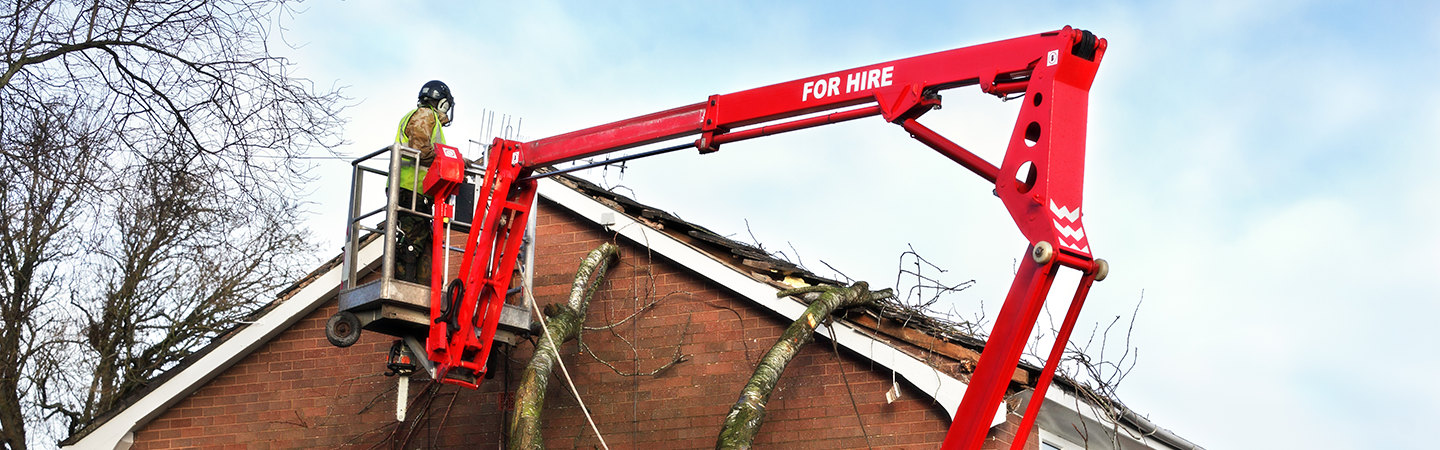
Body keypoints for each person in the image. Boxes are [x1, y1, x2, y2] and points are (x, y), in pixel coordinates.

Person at [393, 80, 455, 284]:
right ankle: (402, 285)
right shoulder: (425, 115)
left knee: (423, 245)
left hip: (416, 191)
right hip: (411, 189)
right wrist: (452, 161)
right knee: (413, 241)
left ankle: (420, 289)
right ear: (443, 104)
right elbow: (420, 149)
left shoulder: (422, 118)